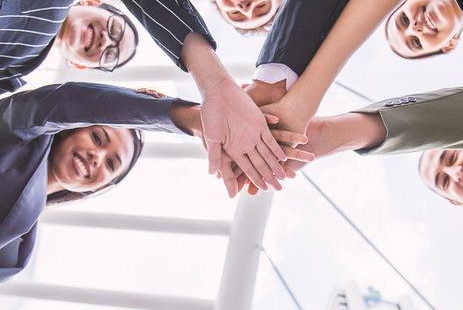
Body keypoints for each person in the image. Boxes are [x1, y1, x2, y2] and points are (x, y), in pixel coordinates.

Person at [0, 0, 291, 193]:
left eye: (110, 54)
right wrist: (213, 84)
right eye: (115, 28)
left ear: (81, 66)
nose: (105, 40)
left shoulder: (16, 70)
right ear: (91, 1)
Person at [0, 81, 312, 282]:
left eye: (111, 164)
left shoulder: (18, 253)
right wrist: (190, 118)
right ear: (70, 127)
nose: (97, 157)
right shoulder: (20, 131)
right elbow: (63, 102)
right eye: (98, 137)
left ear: (100, 187)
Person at [265, 87, 463, 276]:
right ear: (457, 201)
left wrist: (339, 133)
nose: (457, 172)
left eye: (452, 156)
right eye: (444, 181)